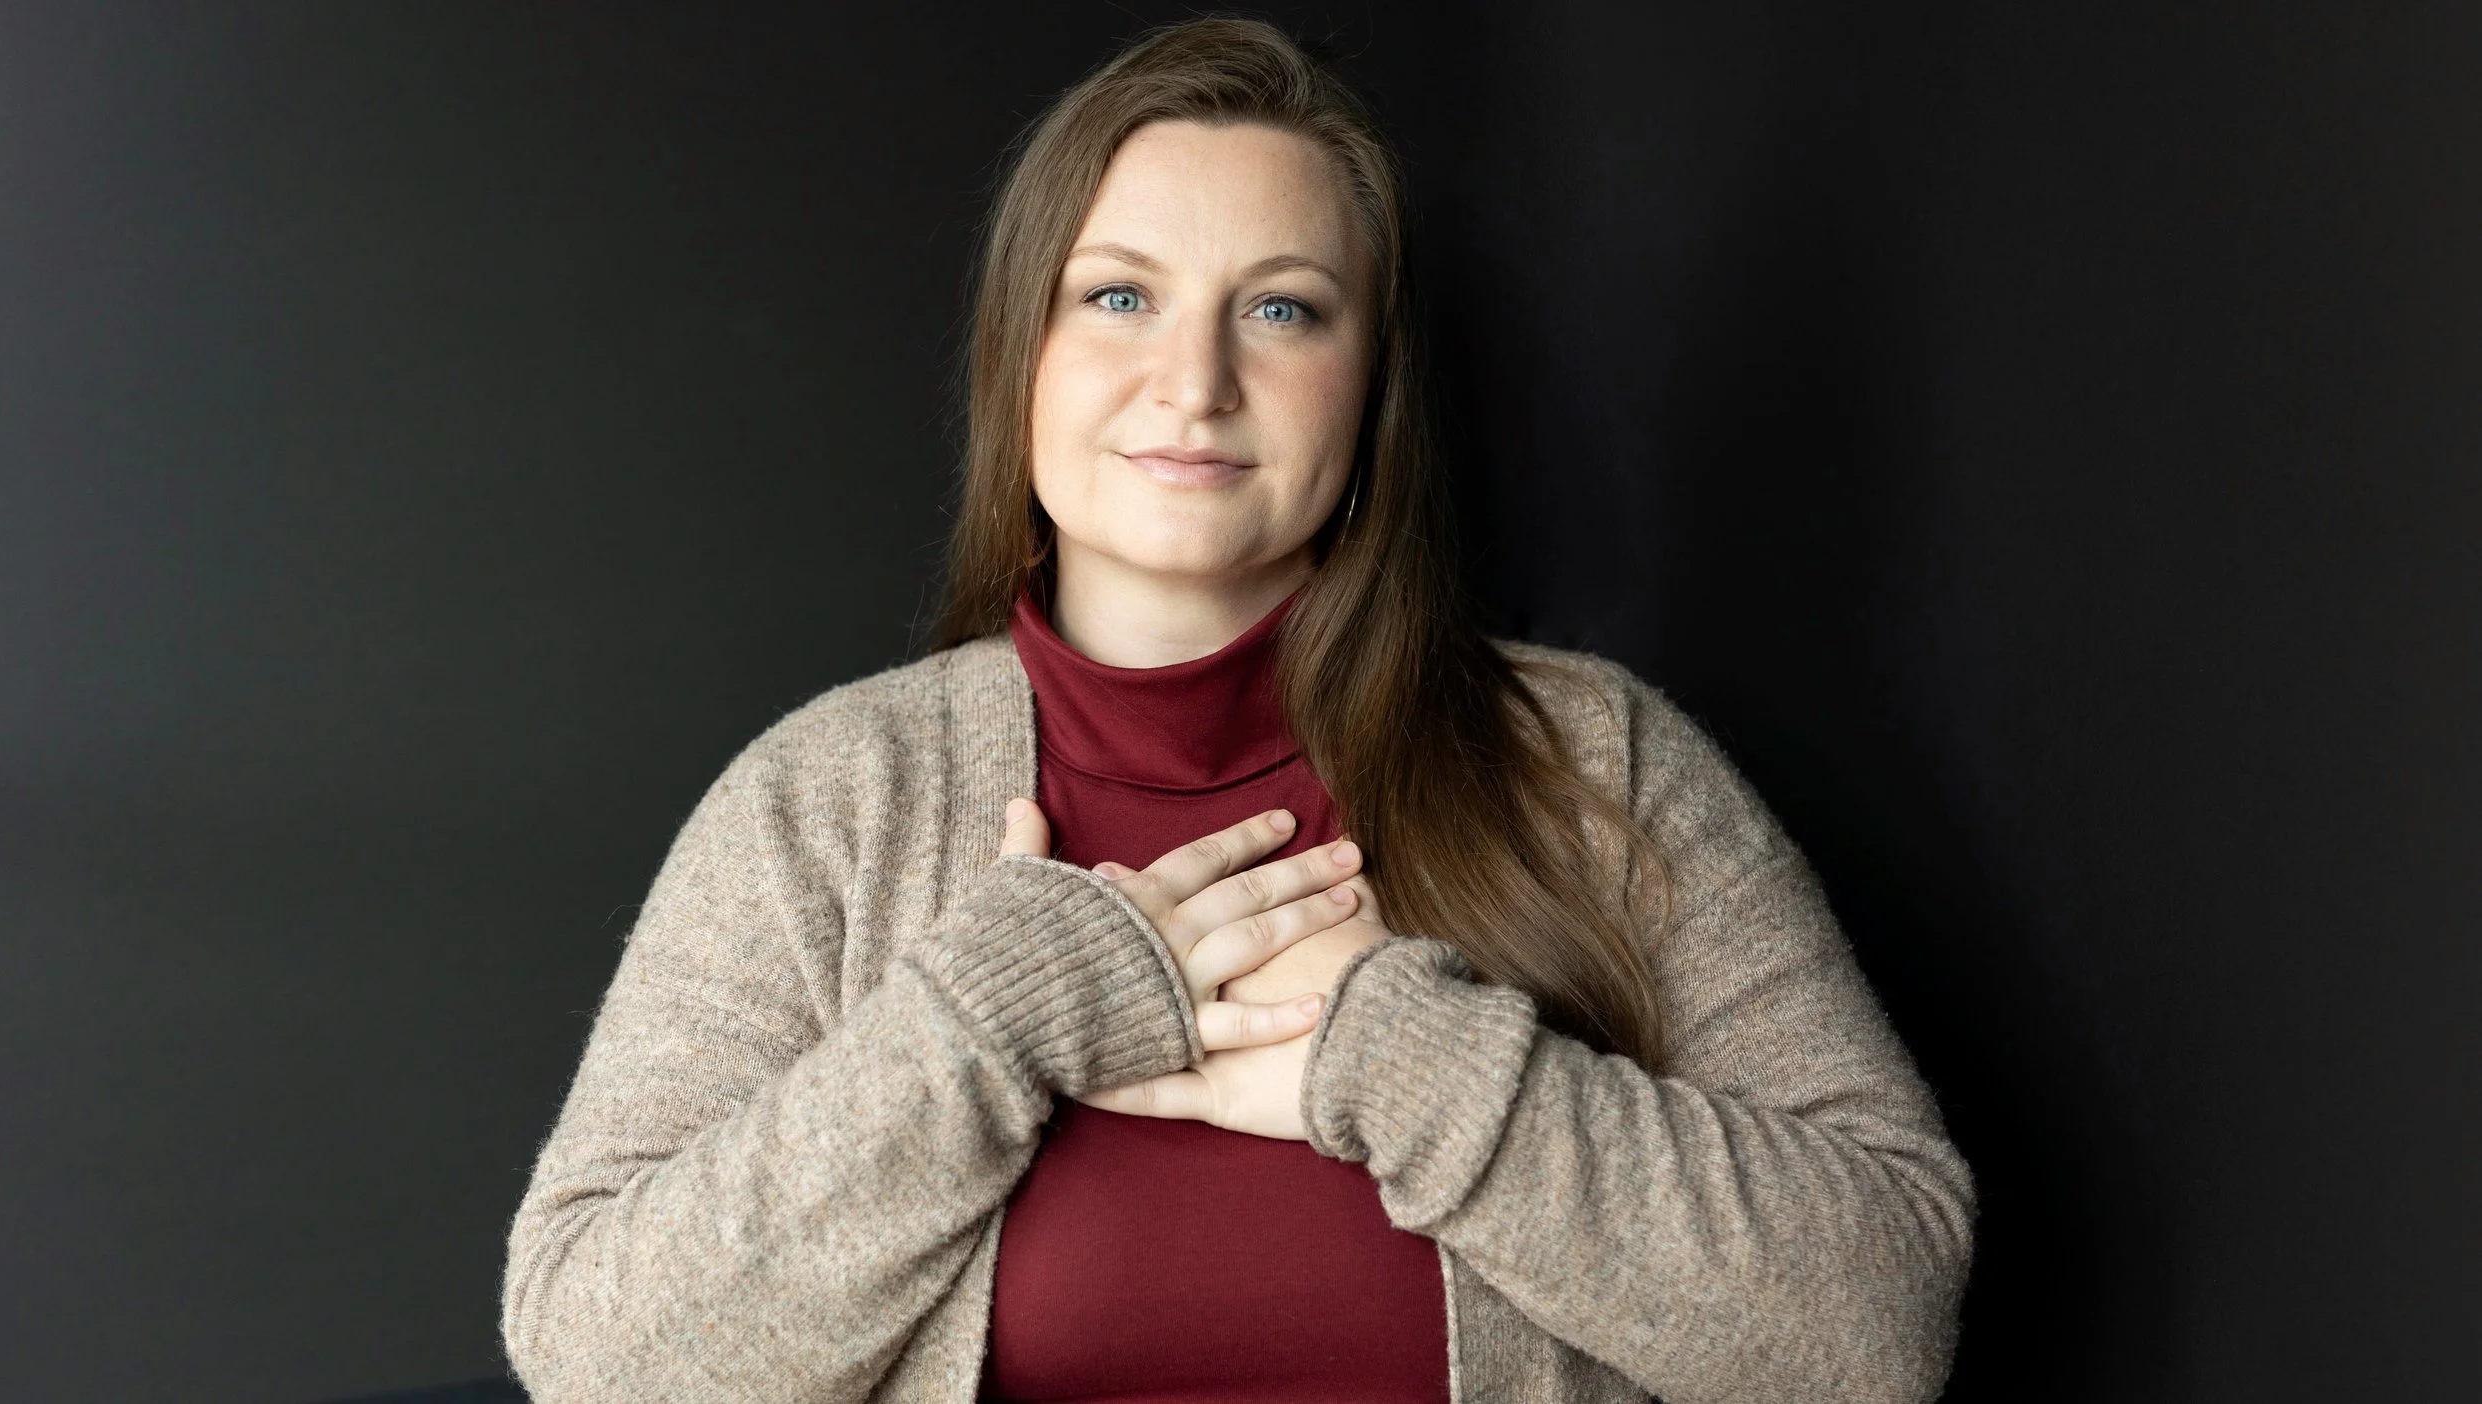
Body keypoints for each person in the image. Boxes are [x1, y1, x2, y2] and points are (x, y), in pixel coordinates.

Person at [500, 15, 1974, 1404]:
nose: (1193, 382)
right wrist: (981, 1031)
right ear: (1026, 354)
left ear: (1370, 388)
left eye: (1281, 309)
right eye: (1120, 296)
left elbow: (1884, 1323)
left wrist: (1421, 1070)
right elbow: (595, 1356)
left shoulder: (1589, 764)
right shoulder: (830, 801)